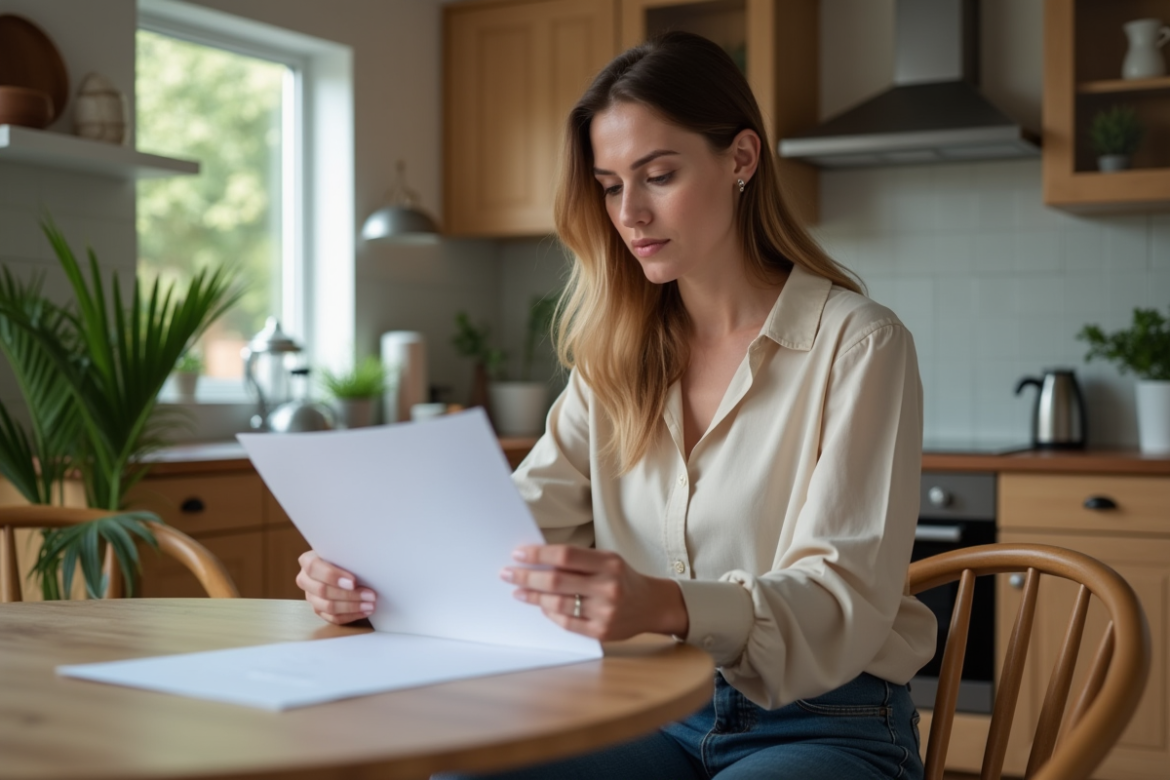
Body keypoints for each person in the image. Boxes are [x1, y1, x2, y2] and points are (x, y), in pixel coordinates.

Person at [297, 31, 936, 780]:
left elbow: (840, 599)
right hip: (651, 705)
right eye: (608, 185)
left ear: (741, 159)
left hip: (829, 720)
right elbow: (506, 537)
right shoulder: (612, 362)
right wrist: (374, 578)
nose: (629, 212)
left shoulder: (858, 345)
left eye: (658, 175)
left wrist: (666, 605)